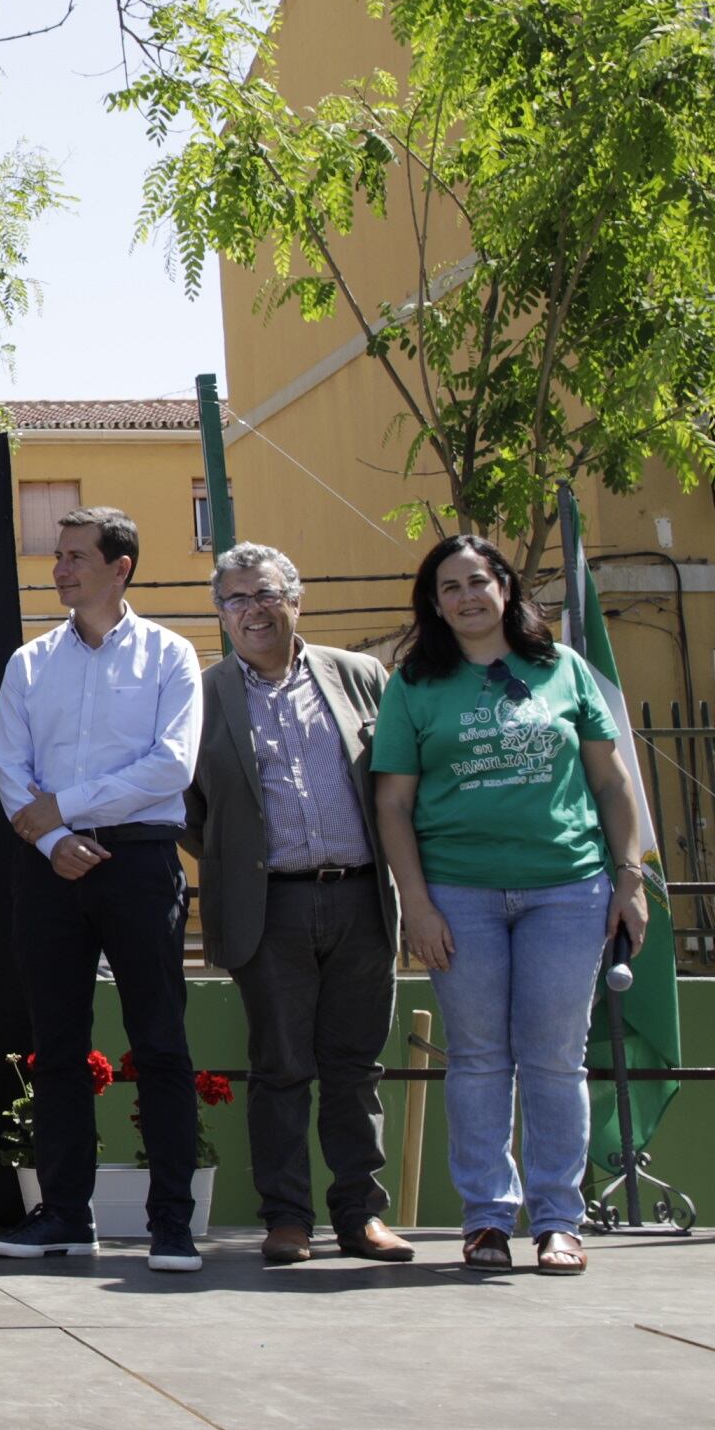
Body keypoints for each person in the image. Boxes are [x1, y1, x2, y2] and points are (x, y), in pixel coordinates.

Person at [373, 533, 649, 1276]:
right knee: (478, 1058)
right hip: (457, 896)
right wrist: (417, 905)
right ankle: (486, 1219)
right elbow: (392, 805)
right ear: (433, 606)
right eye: (448, 589)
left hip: (567, 889)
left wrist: (629, 876)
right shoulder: (414, 685)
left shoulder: (561, 670)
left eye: (476, 581)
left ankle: (558, 1218)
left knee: (555, 1058)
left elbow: (613, 784)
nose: (465, 597)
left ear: (504, 587)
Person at [0, 507, 207, 1271]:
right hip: (47, 868)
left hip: (140, 864)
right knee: (56, 1048)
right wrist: (51, 839)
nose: (59, 568)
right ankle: (62, 1216)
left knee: (160, 1042)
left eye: (76, 555)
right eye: (57, 555)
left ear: (121, 568)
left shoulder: (170, 656)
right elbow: (8, 769)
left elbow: (171, 766)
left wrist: (68, 809)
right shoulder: (30, 662)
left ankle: (171, 1225)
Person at [186, 542, 413, 1267]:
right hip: (268, 907)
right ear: (220, 615)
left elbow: (395, 780)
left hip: (357, 900)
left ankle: (360, 1215)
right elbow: (189, 807)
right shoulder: (203, 692)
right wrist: (239, 862)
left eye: (263, 595)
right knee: (280, 1066)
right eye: (233, 600)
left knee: (354, 1067)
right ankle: (286, 1218)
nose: (250, 611)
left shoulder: (360, 676)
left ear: (295, 599)